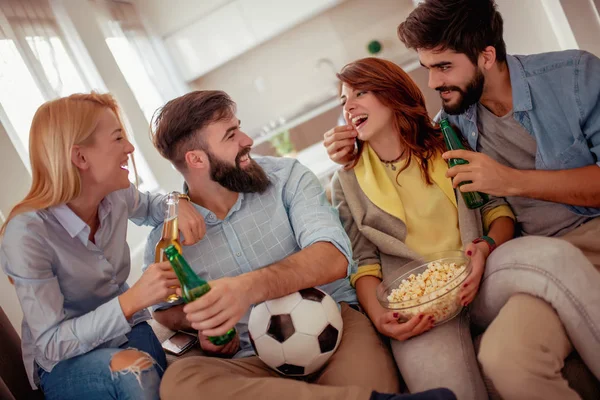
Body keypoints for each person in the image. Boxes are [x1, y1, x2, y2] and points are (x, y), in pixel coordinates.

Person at [325, 1, 600, 399]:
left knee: (553, 261)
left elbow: (494, 205)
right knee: (501, 362)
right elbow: (363, 256)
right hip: (459, 285)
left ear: (486, 56)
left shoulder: (571, 77)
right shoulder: (451, 124)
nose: (434, 83)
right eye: (427, 69)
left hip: (550, 248)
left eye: (444, 67)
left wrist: (505, 200)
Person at [144, 90, 456, 400]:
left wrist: (246, 289)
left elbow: (333, 257)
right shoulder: (168, 234)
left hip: (335, 327)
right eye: (231, 135)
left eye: (238, 127)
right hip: (252, 358)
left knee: (368, 383)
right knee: (181, 381)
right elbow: (164, 310)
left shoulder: (286, 177)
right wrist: (204, 322)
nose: (246, 139)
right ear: (196, 159)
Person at [326, 56, 516, 399]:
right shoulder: (346, 182)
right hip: (419, 311)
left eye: (360, 93)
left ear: (393, 92)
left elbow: (497, 210)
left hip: (483, 277)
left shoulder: (448, 140)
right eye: (343, 101)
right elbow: (363, 262)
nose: (348, 107)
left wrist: (485, 247)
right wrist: (380, 313)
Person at [0, 92, 205, 400]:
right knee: (136, 371)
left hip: (127, 333)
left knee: (181, 385)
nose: (130, 148)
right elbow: (51, 342)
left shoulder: (115, 194)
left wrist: (179, 202)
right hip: (67, 362)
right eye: (118, 138)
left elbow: (154, 207)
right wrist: (132, 300)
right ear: (80, 157)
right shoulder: (26, 234)